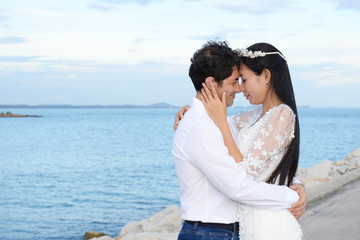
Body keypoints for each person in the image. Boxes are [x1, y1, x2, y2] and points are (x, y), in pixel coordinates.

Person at [172, 41, 306, 240]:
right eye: (235, 81)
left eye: (242, 79)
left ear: (266, 76)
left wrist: (297, 183)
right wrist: (291, 195)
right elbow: (237, 185)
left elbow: (265, 160)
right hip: (210, 232)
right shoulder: (202, 126)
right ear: (211, 83)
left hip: (232, 229)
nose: (239, 88)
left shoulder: (225, 121)